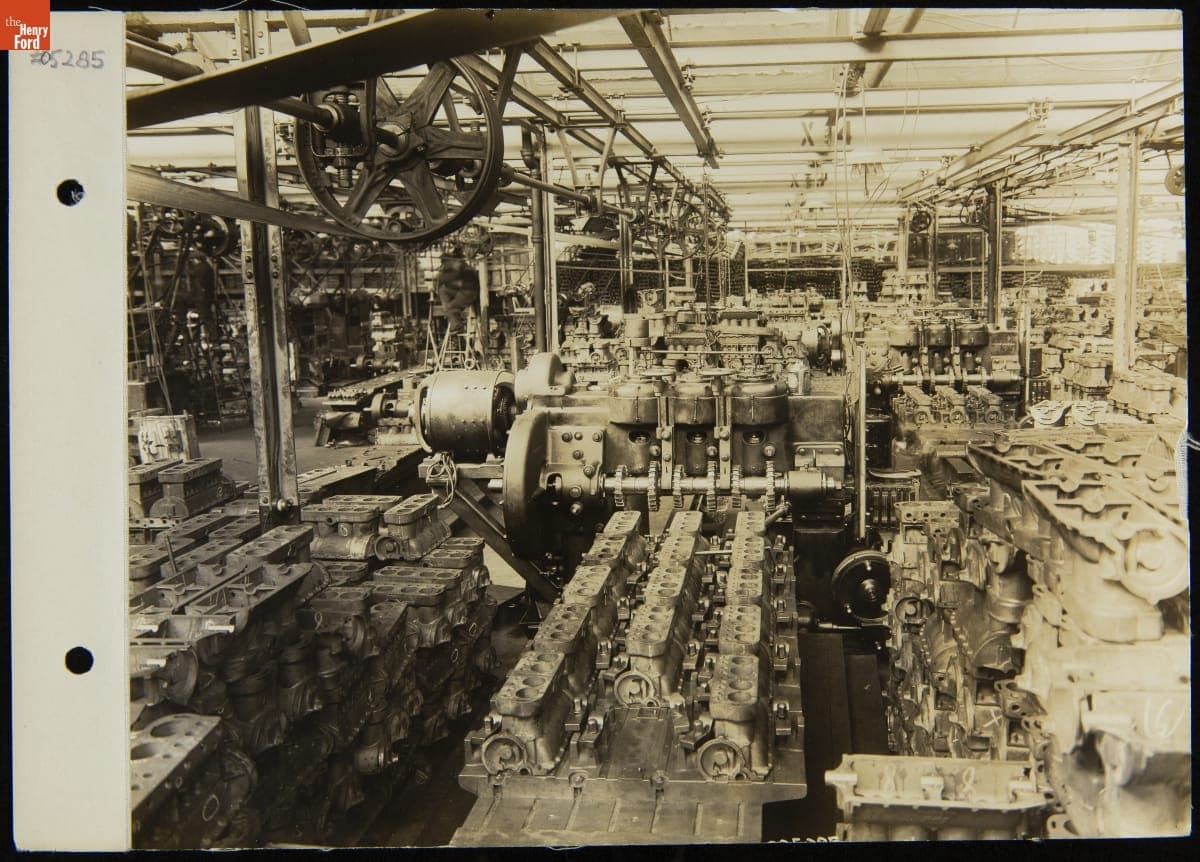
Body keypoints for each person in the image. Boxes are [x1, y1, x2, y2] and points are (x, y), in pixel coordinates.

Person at [436, 244, 480, 335]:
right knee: (443, 290)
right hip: (464, 290)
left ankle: (457, 325)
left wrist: (442, 275)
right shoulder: (461, 267)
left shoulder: (461, 267)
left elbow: (449, 280)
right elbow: (456, 283)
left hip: (468, 293)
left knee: (451, 307)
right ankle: (450, 314)